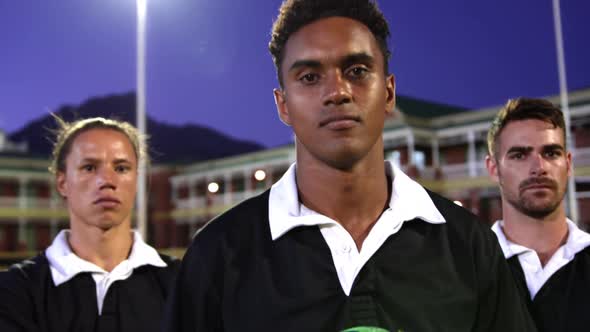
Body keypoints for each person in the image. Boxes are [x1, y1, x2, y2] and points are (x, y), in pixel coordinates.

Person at [164, 0, 535, 331]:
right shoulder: (219, 253)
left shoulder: (468, 245)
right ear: (283, 106)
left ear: (388, 93)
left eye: (356, 70)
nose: (337, 92)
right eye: (309, 77)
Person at [0, 117, 179, 332]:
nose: (107, 180)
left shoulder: (181, 282)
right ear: (63, 183)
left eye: (121, 168)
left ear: (136, 181)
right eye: (89, 167)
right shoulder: (16, 289)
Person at [486, 98, 590, 332]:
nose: (539, 167)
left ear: (568, 163)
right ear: (494, 169)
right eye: (519, 155)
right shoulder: (462, 269)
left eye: (551, 152)